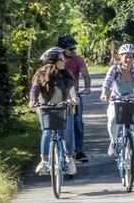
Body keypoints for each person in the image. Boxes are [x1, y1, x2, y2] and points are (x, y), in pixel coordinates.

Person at [100, 43, 134, 177]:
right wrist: (104, 93)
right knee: (112, 120)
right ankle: (114, 141)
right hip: (116, 102)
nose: (128, 60)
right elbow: (107, 83)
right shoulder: (114, 69)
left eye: (131, 57)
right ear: (121, 57)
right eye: (126, 57)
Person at [28, 47, 79, 177]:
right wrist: (33, 100)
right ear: (53, 61)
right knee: (47, 132)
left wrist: (73, 97)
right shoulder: (41, 73)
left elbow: (71, 85)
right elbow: (34, 89)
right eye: (61, 59)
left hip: (63, 107)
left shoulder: (65, 73)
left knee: (66, 133)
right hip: (46, 108)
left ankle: (68, 158)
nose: (64, 62)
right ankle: (44, 161)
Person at [58, 34, 92, 163]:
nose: (74, 51)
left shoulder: (78, 59)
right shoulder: (57, 60)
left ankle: (78, 150)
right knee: (58, 124)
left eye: (74, 48)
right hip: (59, 97)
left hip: (74, 97)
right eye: (70, 49)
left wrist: (87, 87)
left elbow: (85, 74)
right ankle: (58, 151)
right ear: (62, 50)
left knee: (78, 123)